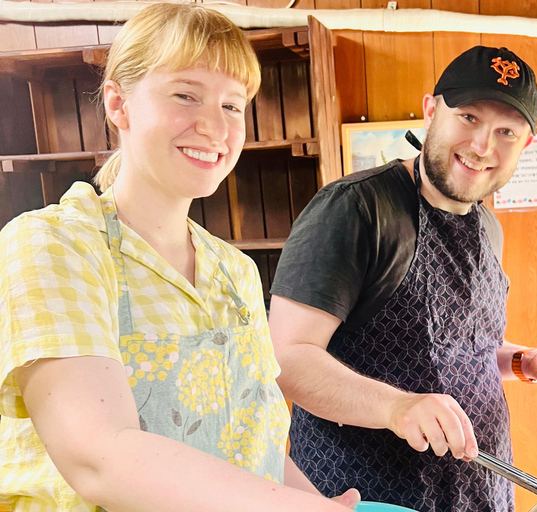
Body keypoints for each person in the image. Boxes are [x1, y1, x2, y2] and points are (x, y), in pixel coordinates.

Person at [0, 4, 359, 512]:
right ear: (119, 105)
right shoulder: (55, 245)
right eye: (186, 95)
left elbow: (252, 441)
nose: (214, 127)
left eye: (233, 106)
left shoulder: (235, 271)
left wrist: (320, 501)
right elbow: (98, 457)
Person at [268, 46, 537, 512]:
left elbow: (460, 350)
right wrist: (395, 409)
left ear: (525, 144)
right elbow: (286, 359)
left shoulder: (488, 229)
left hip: (482, 493)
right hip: (365, 498)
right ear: (431, 110)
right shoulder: (356, 209)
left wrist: (527, 363)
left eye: (506, 132)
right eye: (469, 118)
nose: (483, 146)